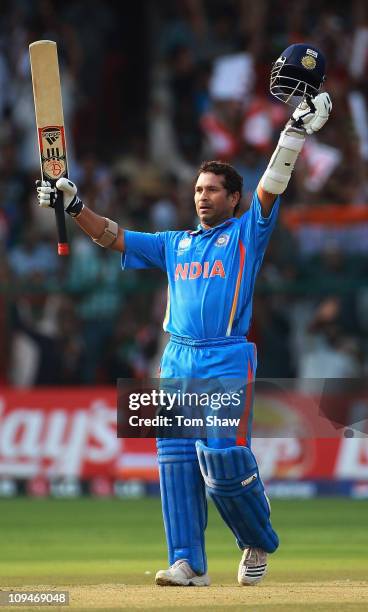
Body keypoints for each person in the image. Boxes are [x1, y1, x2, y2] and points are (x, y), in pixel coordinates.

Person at [36, 46, 331, 587]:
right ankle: (188, 563)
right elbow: (112, 236)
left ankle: (257, 542)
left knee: (222, 462)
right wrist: (74, 206)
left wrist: (295, 132)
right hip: (176, 356)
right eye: (198, 189)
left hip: (225, 356)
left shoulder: (248, 233)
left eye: (213, 190)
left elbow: (274, 183)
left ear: (235, 198)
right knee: (172, 458)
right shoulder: (175, 243)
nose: (202, 197)